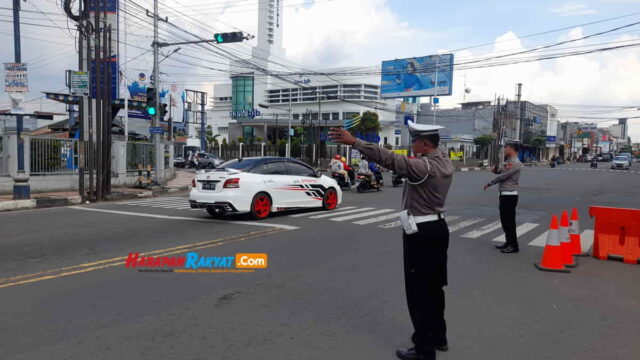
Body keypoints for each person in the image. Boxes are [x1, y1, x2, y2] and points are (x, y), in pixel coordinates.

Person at [329, 122, 454, 360]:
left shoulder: (424, 167)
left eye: (415, 140)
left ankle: (424, 349)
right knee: (435, 287)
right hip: (438, 228)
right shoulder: (444, 161)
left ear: (425, 144)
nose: (411, 144)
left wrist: (355, 142)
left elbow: (391, 160)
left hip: (421, 232)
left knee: (418, 292)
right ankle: (438, 336)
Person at [483, 143, 523, 254]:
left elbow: (503, 176)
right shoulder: (509, 162)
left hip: (510, 195)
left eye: (507, 148)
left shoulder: (516, 163)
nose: (505, 149)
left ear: (512, 149)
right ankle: (508, 242)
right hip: (504, 194)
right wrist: (495, 170)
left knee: (509, 222)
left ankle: (514, 246)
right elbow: (501, 171)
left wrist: (490, 183)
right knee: (505, 221)